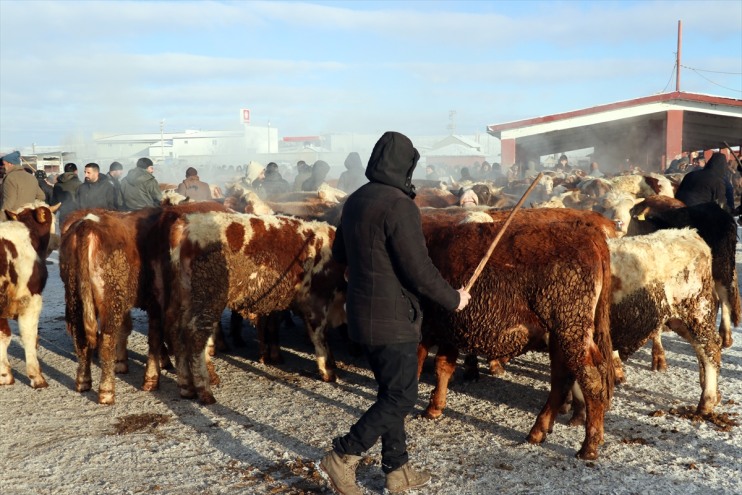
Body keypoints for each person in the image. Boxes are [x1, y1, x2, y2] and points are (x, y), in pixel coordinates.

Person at [319, 131, 471, 495]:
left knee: (391, 392)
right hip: (393, 319)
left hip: (360, 313)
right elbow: (418, 269)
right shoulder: (400, 205)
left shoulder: (356, 199)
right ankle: (343, 455)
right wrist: (454, 298)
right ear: (407, 165)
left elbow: (339, 253)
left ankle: (397, 470)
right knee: (401, 397)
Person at [0, 151, 45, 221]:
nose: (2, 166)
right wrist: (29, 207)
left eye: (4, 164)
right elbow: (42, 196)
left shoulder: (10, 178)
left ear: (10, 164)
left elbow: (9, 202)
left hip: (13, 219)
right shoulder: (31, 177)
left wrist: (1, 220)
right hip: (28, 218)